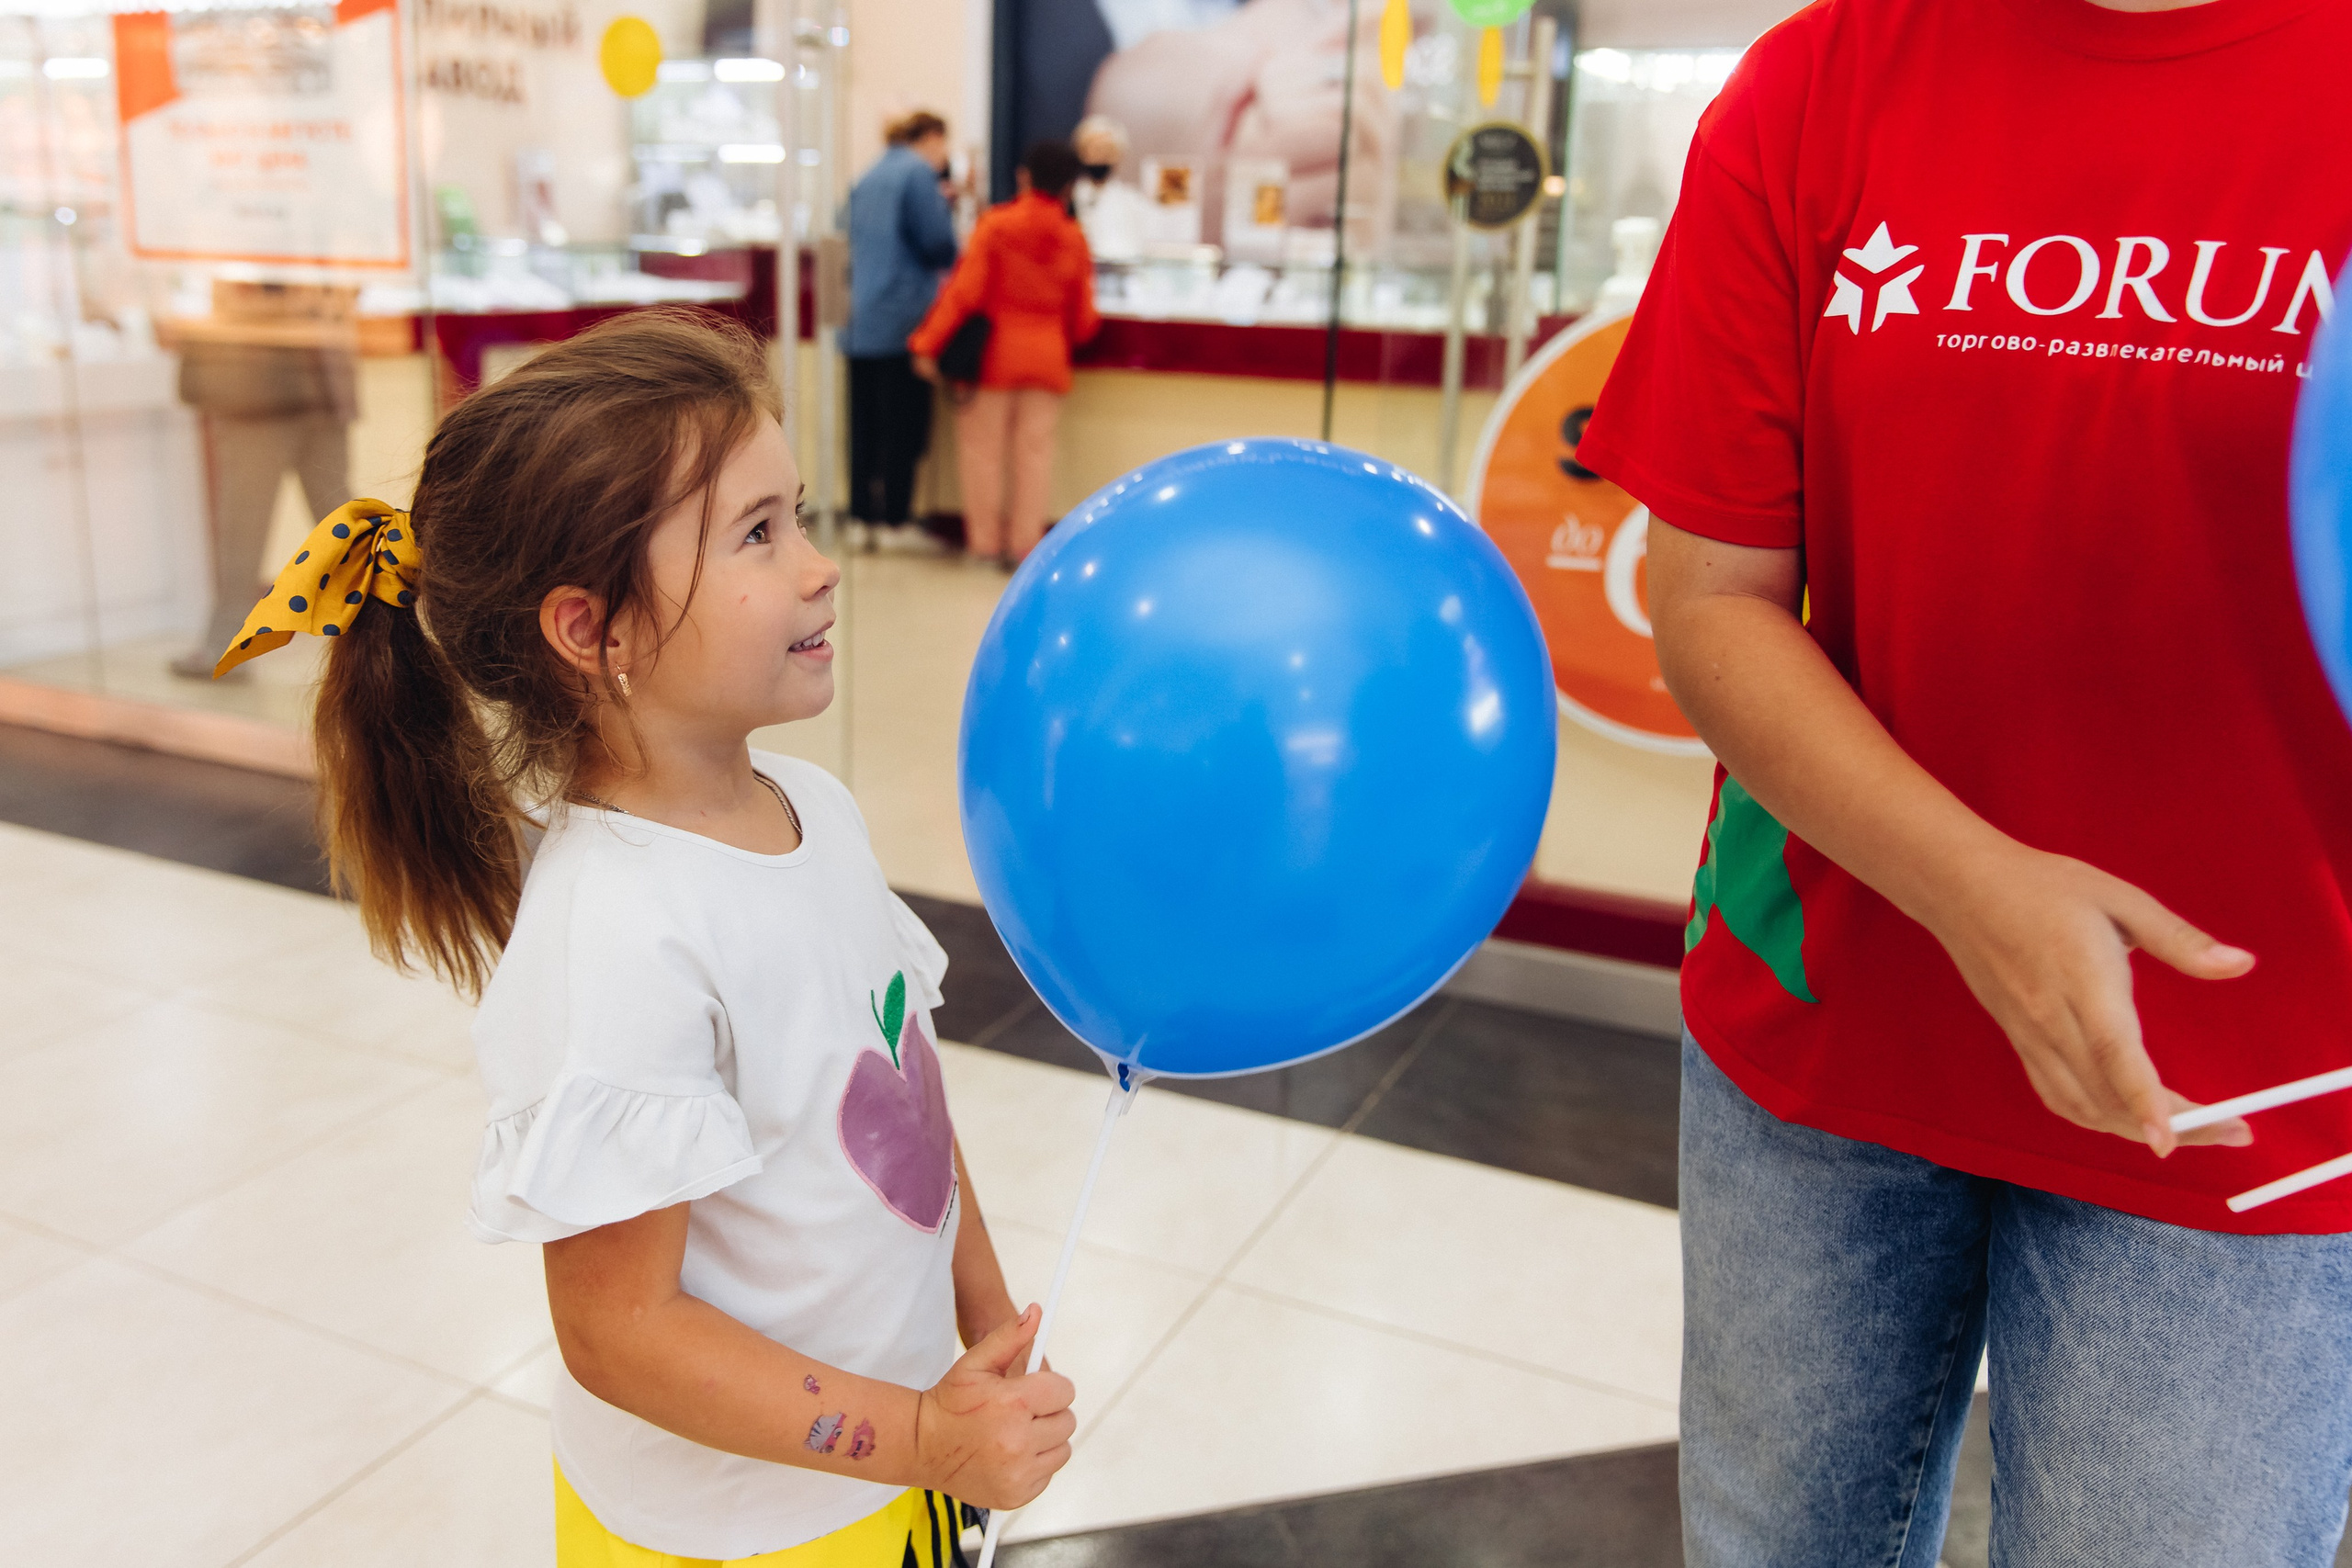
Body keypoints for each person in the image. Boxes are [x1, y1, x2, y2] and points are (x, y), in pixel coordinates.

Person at [1576, 0, 2352, 1561]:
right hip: (1824, 1024)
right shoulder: (1826, 76)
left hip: (2250, 1089)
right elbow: (1712, 596)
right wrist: (1980, 892)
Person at [209, 310, 1076, 1566]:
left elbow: (904, 1096)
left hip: (888, 1466)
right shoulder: (618, 930)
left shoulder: (813, 810)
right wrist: (926, 1435)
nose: (819, 566)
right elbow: (621, 1330)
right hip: (740, 1535)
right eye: (759, 533)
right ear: (591, 630)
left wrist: (981, 1322)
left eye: (801, 515)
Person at [909, 141, 1100, 568]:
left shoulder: (996, 226)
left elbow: (964, 294)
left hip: (993, 360)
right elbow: (1085, 320)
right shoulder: (1074, 238)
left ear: (1024, 177)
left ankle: (984, 546)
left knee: (982, 456)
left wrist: (926, 344)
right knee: (1035, 459)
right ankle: (1025, 549)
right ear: (1070, 187)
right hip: (1048, 361)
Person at [843, 111, 960, 550]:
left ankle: (860, 518)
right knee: (902, 427)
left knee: (864, 428)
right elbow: (939, 244)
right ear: (931, 137)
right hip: (902, 321)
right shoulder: (917, 174)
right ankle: (896, 520)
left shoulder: (868, 175)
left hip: (860, 320)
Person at [1069, 114, 1147, 263]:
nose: (1101, 156)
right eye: (1095, 149)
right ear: (1081, 151)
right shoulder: (1068, 199)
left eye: (1107, 150)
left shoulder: (1132, 201)